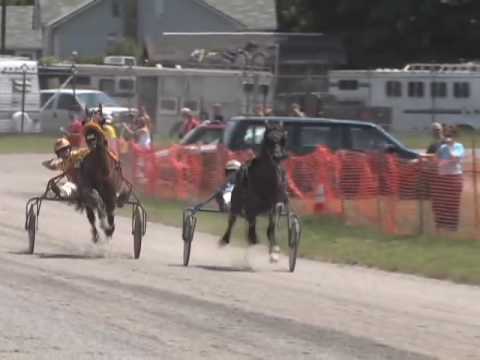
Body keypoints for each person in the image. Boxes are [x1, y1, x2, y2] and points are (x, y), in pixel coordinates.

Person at [431, 125, 465, 232]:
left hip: (454, 177)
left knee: (452, 203)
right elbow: (435, 160)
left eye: (450, 135)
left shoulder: (459, 146)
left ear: (455, 136)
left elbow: (454, 158)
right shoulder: (442, 147)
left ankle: (451, 227)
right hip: (442, 177)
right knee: (439, 202)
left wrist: (448, 146)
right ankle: (440, 224)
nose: (448, 137)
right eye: (446, 135)